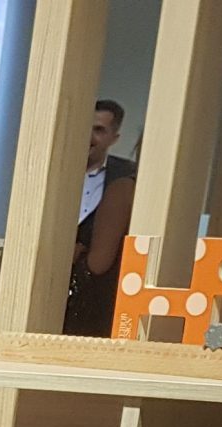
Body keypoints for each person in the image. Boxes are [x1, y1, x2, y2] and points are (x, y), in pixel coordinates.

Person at [64, 99, 137, 336]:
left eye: (98, 130)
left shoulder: (126, 178)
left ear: (114, 138)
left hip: (100, 298)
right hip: (47, 284)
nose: (89, 137)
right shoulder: (54, 171)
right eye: (85, 127)